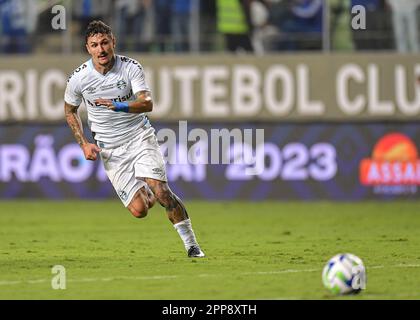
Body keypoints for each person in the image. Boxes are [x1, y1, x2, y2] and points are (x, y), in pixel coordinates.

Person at [63, 20, 205, 258]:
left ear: (113, 42)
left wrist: (117, 105)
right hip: (111, 150)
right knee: (139, 210)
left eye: (105, 43)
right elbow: (70, 110)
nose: (101, 50)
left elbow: (147, 103)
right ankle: (145, 190)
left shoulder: (130, 68)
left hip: (139, 137)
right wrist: (83, 143)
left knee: (161, 191)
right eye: (95, 45)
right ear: (88, 48)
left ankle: (192, 245)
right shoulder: (78, 78)